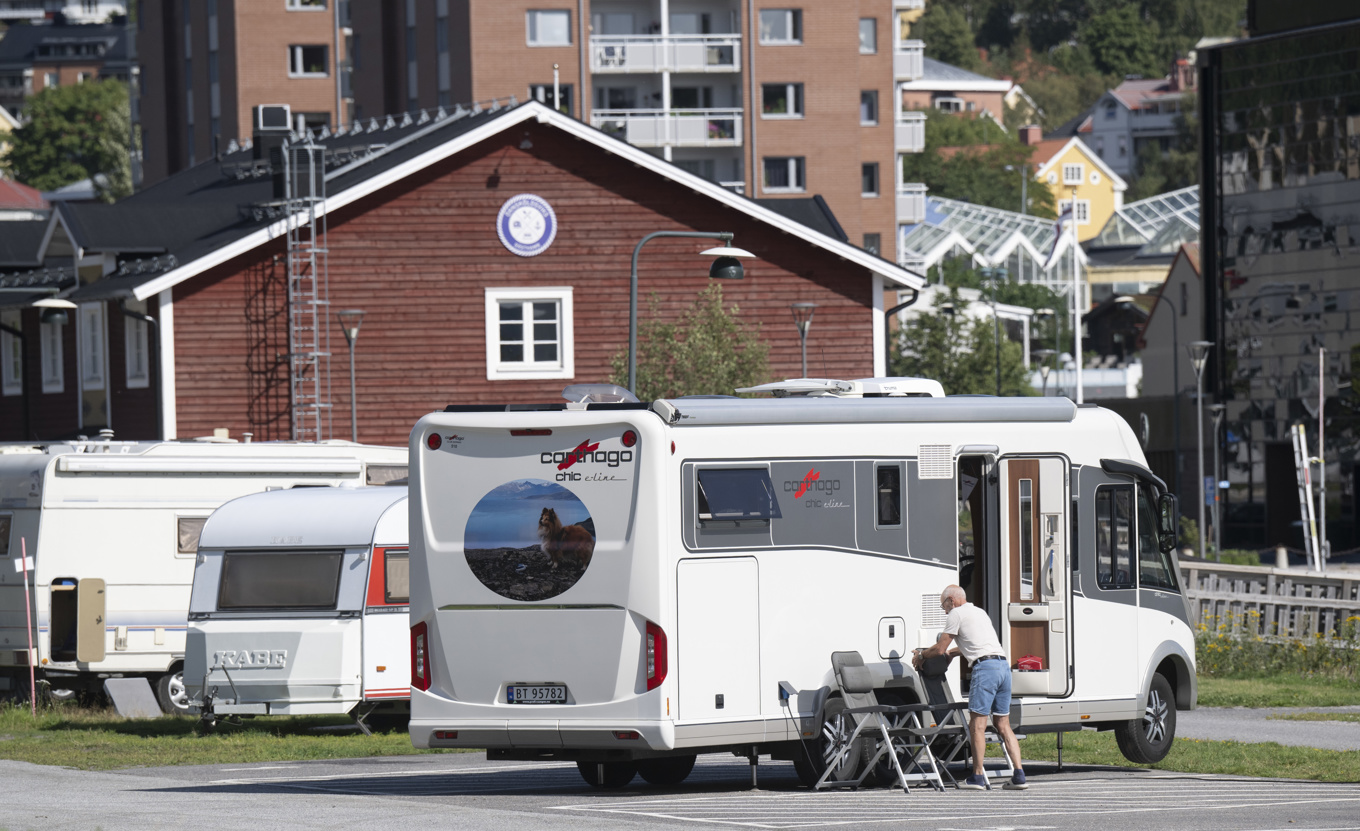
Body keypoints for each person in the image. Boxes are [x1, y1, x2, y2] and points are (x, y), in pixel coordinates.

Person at [912, 584, 1028, 790]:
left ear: (951, 601)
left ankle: (977, 777)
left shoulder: (955, 614)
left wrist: (920, 656)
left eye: (943, 606)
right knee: (1003, 725)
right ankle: (1019, 775)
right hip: (1003, 666)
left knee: (978, 726)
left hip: (986, 670)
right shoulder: (979, 612)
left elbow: (940, 649)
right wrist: (954, 654)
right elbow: (975, 643)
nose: (945, 610)